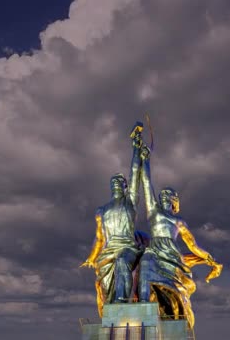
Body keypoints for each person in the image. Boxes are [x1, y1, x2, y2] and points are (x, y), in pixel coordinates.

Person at [137, 141, 222, 329]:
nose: (165, 195)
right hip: (155, 249)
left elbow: (193, 246)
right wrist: (146, 161)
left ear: (175, 201)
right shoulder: (154, 212)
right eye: (163, 194)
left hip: (172, 255)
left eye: (169, 194)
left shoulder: (180, 221)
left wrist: (209, 258)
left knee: (174, 290)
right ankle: (143, 307)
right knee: (145, 263)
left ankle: (172, 314)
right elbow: (147, 184)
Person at [80, 122, 144, 317]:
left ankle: (123, 303)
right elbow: (99, 238)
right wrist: (91, 257)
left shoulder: (130, 201)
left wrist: (135, 148)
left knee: (122, 262)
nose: (117, 182)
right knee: (107, 288)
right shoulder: (102, 210)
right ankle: (113, 312)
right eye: (113, 181)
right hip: (107, 252)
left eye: (120, 181)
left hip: (127, 248)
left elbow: (135, 173)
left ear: (125, 186)